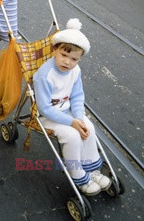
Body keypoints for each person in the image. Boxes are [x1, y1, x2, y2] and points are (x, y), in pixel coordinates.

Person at [33, 18, 112, 196]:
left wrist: (78, 118)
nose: (68, 62)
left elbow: (77, 96)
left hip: (68, 112)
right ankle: (78, 175)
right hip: (49, 117)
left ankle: (92, 170)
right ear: (55, 50)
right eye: (64, 55)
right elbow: (45, 108)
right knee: (72, 136)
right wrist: (71, 123)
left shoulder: (75, 71)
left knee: (88, 127)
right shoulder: (45, 75)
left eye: (74, 59)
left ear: (80, 59)